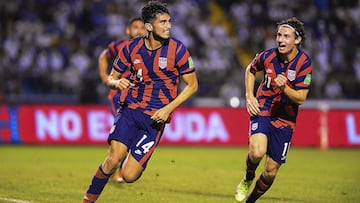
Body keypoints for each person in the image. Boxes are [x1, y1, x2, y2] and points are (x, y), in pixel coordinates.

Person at [82, 1, 198, 202]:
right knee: (112, 160)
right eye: (163, 22)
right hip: (130, 109)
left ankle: (134, 158)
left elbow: (192, 85)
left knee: (129, 176)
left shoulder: (178, 50)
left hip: (154, 119)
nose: (168, 26)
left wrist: (168, 109)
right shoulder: (130, 48)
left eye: (169, 21)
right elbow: (111, 78)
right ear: (149, 27)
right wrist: (115, 83)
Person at [234, 17, 312, 202]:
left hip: (285, 119)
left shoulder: (304, 63)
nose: (280, 40)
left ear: (297, 40)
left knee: (270, 171)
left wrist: (285, 88)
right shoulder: (267, 56)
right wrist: (249, 95)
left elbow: (301, 98)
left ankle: (250, 200)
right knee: (257, 152)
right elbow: (250, 70)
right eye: (278, 35)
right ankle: (248, 177)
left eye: (286, 36)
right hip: (264, 109)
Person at [98, 16, 145, 183]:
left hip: (140, 96)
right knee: (124, 130)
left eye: (142, 27)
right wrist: (106, 78)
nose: (139, 30)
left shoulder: (150, 49)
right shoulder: (120, 46)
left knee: (128, 132)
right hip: (119, 94)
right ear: (128, 30)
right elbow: (103, 56)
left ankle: (114, 164)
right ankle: (118, 168)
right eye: (135, 27)